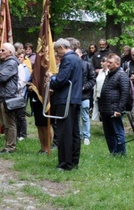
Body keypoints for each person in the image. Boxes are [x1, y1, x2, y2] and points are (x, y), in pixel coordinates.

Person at [47, 38, 83, 171]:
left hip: (66, 99)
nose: (57, 55)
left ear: (62, 47)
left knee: (65, 133)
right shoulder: (77, 59)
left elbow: (61, 80)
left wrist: (52, 78)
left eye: (57, 51)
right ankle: (73, 161)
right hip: (74, 99)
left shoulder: (68, 59)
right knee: (74, 132)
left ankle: (65, 163)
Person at [0, 43, 19, 153]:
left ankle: (11, 146)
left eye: (3, 50)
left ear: (10, 52)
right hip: (0, 96)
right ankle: (7, 144)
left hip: (7, 96)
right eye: (0, 50)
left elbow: (2, 78)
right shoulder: (2, 63)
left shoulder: (11, 63)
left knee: (9, 123)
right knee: (3, 123)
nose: (0, 52)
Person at [99, 53, 130, 156]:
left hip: (115, 109)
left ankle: (121, 153)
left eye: (110, 62)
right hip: (106, 109)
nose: (108, 64)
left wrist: (119, 109)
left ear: (117, 63)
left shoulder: (122, 75)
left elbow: (125, 93)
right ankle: (113, 152)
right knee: (108, 133)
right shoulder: (109, 74)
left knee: (118, 132)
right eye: (107, 62)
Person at [76, 47, 96, 145]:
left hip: (84, 96)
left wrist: (84, 87)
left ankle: (86, 136)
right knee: (76, 116)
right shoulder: (72, 65)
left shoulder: (87, 65)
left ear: (81, 54)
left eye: (77, 54)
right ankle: (78, 135)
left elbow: (92, 80)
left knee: (85, 116)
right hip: (74, 96)